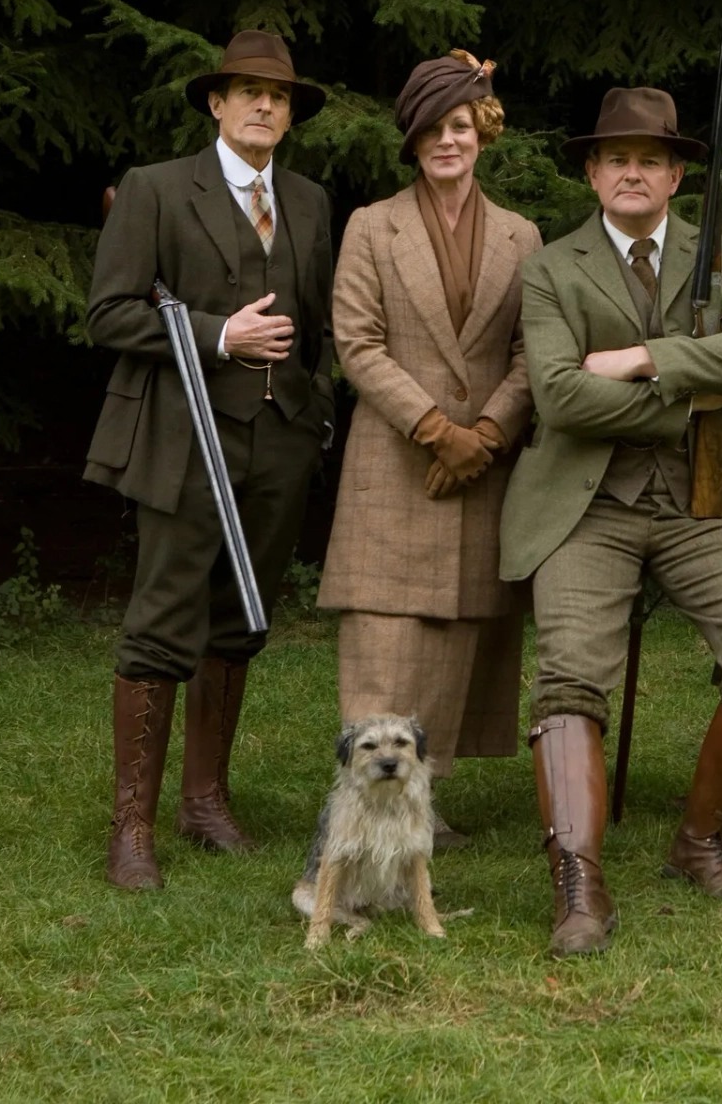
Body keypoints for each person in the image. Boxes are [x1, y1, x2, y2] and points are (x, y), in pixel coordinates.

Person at [498, 87, 722, 957]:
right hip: (585, 505)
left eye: (651, 159)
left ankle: (699, 842)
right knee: (569, 677)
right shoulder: (553, 267)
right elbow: (559, 396)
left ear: (677, 176)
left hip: (704, 501)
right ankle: (578, 883)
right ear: (594, 174)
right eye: (615, 158)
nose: (632, 171)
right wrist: (689, 402)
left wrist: (644, 359)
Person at [85, 30, 335, 890]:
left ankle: (204, 801)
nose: (265, 104)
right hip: (183, 438)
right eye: (247, 91)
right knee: (162, 623)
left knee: (241, 621)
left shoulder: (310, 201)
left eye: (280, 95)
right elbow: (110, 313)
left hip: (279, 442)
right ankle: (132, 830)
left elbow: (323, 326)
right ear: (215, 104)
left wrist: (309, 408)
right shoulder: (156, 191)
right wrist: (217, 335)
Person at [316, 51, 541, 849]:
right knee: (386, 632)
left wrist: (483, 434)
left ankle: (421, 808)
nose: (448, 142)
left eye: (460, 126)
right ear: (410, 142)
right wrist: (435, 427)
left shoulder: (522, 234)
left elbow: (530, 351)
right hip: (397, 461)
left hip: (480, 466)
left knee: (452, 635)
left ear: (482, 131)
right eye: (431, 131)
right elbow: (357, 343)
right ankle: (360, 814)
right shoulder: (372, 226)